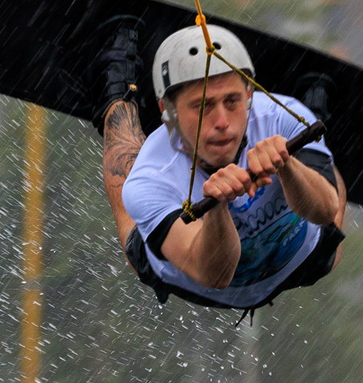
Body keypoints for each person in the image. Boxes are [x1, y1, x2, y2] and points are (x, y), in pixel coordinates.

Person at [90, 21, 346, 312]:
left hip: (303, 259)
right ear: (167, 110)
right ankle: (118, 92)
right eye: (203, 106)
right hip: (198, 283)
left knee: (329, 192)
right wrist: (218, 206)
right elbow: (215, 276)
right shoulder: (151, 176)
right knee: (130, 205)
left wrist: (287, 164)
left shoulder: (282, 116)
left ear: (249, 95)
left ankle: (316, 120)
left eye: (232, 101)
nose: (222, 122)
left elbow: (325, 211)